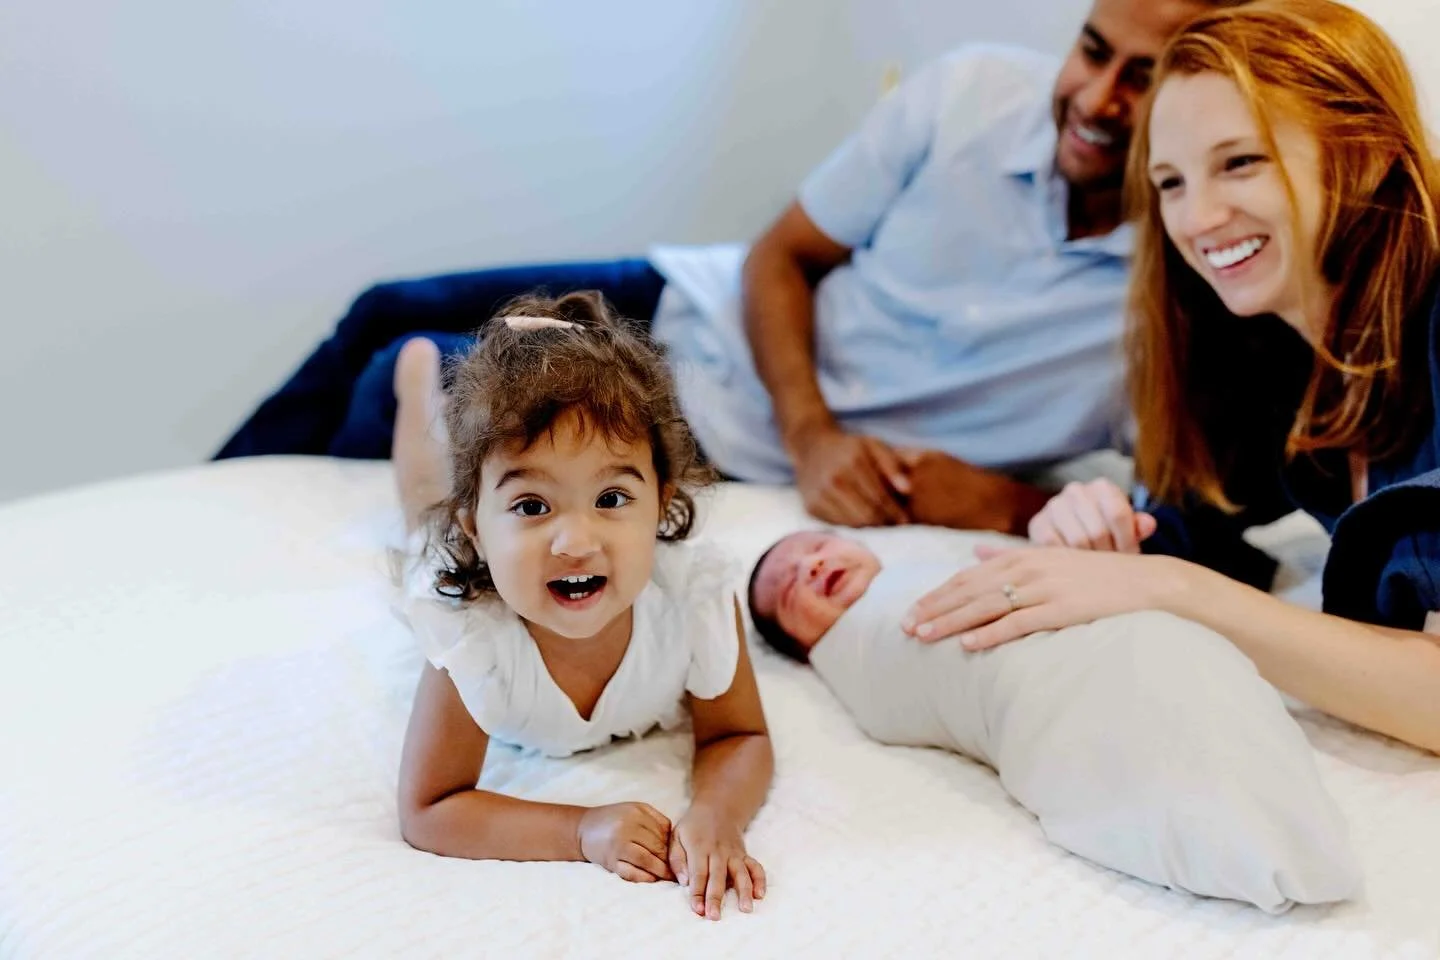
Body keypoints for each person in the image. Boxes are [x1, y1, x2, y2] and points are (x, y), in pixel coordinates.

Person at [216, 0, 1236, 535]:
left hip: (704, 413)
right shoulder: (971, 93)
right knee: (384, 310)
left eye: (1141, 80)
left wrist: (1007, 506)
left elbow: (1182, 520)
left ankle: (274, 533)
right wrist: (815, 430)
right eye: (1092, 49)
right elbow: (782, 256)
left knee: (412, 364)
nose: (1097, 98)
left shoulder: (1185, 298)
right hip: (694, 300)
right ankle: (213, 504)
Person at [902, 0, 1440, 756]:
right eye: (1170, 182)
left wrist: (1171, 591)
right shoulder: (1270, 351)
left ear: (1372, 150)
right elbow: (1190, 541)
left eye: (1239, 161)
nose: (1197, 218)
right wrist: (1103, 538)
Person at [393, 292, 773, 921]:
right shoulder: (472, 636)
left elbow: (741, 734)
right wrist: (579, 830)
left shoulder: (692, 597)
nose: (575, 542)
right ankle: (417, 399)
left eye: (614, 497)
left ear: (661, 503)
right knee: (421, 505)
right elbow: (431, 808)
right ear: (480, 533)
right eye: (532, 506)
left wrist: (715, 814)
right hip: (454, 549)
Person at [742, 529, 1358, 911]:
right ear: (803, 650)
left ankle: (1266, 831)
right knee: (1096, 694)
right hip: (1036, 689)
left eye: (817, 545)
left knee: (1161, 655)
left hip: (1118, 631)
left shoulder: (928, 568)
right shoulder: (853, 652)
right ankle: (1256, 841)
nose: (809, 565)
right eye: (786, 587)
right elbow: (897, 701)